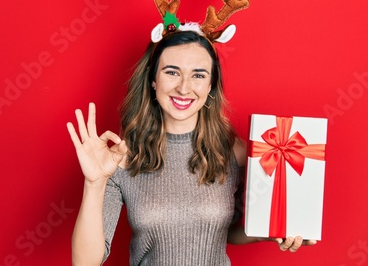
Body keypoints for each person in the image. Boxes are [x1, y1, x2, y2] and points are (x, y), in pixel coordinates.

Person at [67, 30, 316, 266]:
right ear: (153, 80)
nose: (184, 87)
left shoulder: (233, 151)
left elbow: (224, 231)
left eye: (198, 75)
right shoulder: (120, 158)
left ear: (210, 86)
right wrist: (95, 183)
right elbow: (86, 262)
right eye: (172, 72)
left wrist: (269, 232)